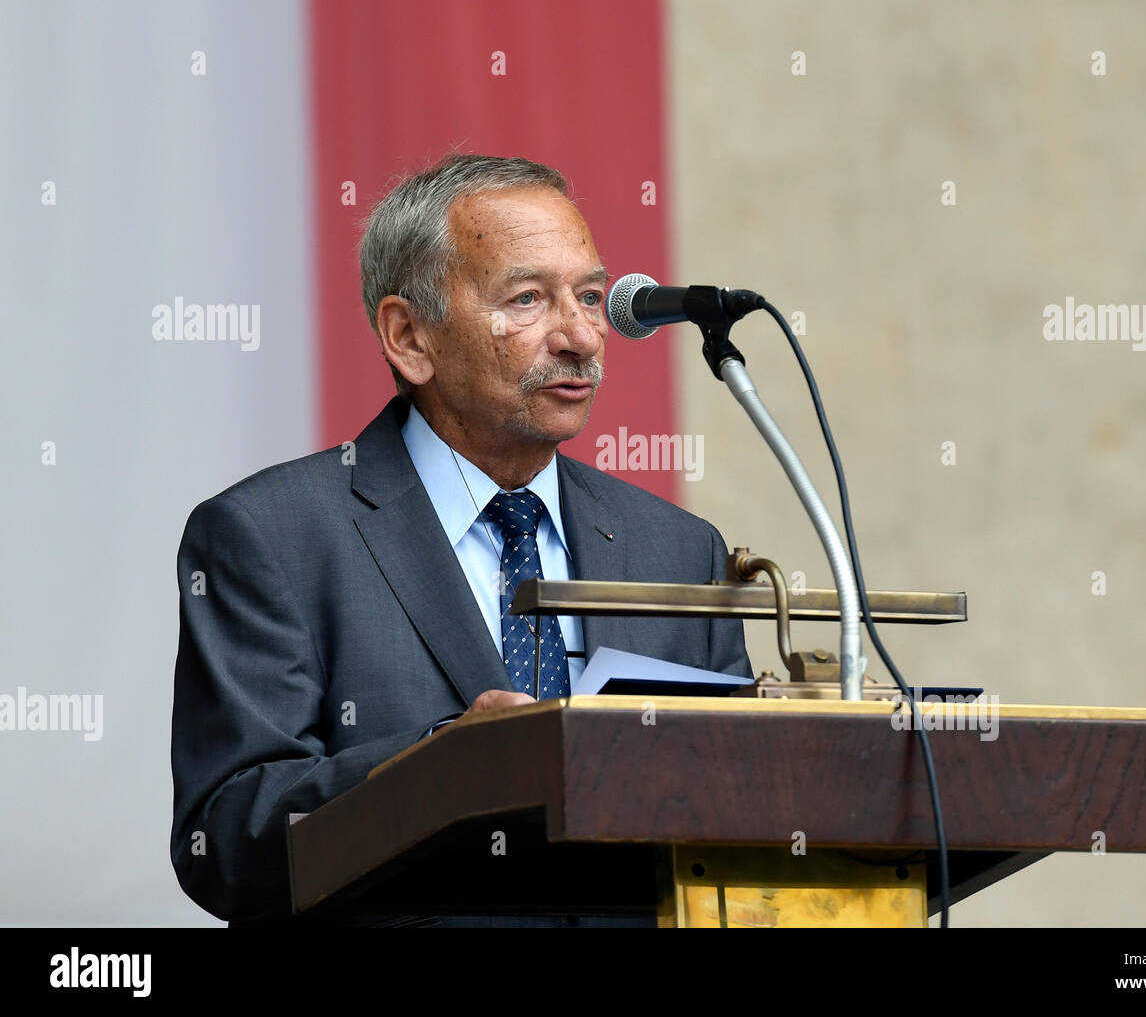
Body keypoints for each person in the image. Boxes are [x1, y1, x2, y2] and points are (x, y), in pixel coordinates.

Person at [169, 154, 753, 924]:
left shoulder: (678, 551)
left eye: (586, 296)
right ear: (410, 337)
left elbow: (737, 809)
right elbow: (230, 839)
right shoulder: (270, 536)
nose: (582, 335)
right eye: (527, 298)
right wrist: (447, 760)